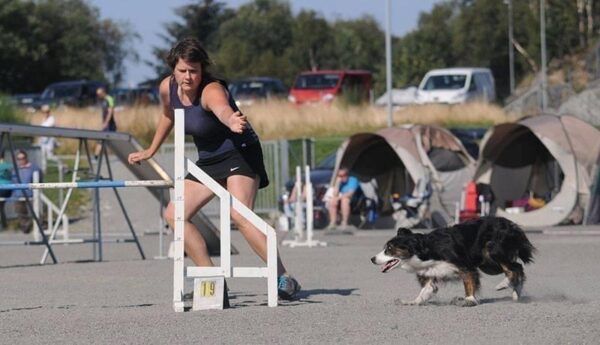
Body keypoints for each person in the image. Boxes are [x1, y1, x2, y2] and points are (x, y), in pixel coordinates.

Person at [127, 37, 301, 302]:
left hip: (239, 151)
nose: (188, 77)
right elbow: (168, 115)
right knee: (174, 215)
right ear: (173, 68)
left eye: (194, 71)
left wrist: (231, 119)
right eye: (183, 70)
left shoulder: (211, 89)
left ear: (202, 69)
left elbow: (221, 108)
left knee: (240, 215)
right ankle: (212, 279)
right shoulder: (167, 88)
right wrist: (151, 149)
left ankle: (284, 277)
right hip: (208, 159)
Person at [11, 150, 42, 233]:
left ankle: (41, 226)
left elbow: (40, 179)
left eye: (23, 158)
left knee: (35, 211)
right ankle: (26, 227)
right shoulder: (15, 169)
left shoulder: (34, 168)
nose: (21, 160)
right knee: (20, 213)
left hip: (31, 194)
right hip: (18, 194)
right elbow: (13, 180)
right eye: (19, 159)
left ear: (26, 158)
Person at [95, 87, 116, 158]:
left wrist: (106, 122)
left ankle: (96, 156)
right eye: (97, 94)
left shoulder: (109, 99)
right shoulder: (103, 100)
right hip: (106, 124)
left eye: (99, 94)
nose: (98, 95)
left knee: (106, 140)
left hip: (110, 124)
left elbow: (110, 112)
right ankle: (96, 156)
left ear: (103, 92)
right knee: (101, 140)